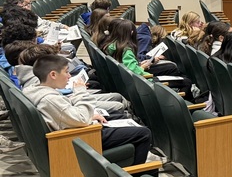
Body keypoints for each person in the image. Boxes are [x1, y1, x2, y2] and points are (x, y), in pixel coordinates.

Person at [25, 54, 153, 165]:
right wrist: (80, 92)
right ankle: (138, 174)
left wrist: (91, 116)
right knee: (143, 133)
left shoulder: (37, 90)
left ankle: (139, 156)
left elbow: (68, 114)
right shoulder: (48, 99)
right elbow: (80, 119)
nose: (69, 76)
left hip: (77, 129)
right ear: (53, 74)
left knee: (118, 115)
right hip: (80, 138)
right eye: (66, 72)